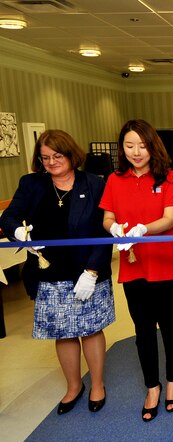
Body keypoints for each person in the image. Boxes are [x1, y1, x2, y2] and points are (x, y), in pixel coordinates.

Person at [0, 130, 114, 415]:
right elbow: (8, 216)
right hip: (49, 271)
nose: (51, 162)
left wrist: (92, 271)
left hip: (87, 270)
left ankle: (97, 384)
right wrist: (16, 231)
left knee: (90, 329)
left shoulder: (95, 183)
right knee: (62, 332)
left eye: (57, 156)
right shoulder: (31, 184)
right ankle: (74, 386)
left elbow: (106, 230)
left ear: (70, 154)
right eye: (45, 157)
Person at [100, 119, 173, 422]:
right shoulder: (114, 179)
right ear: (122, 148)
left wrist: (142, 228)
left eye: (142, 145)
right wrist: (114, 228)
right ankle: (152, 385)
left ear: (153, 146)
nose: (136, 152)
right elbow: (107, 217)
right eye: (129, 145)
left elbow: (169, 218)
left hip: (165, 261)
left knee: (170, 323)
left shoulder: (170, 177)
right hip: (132, 263)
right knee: (143, 329)